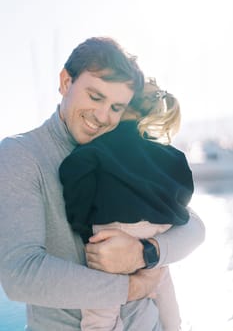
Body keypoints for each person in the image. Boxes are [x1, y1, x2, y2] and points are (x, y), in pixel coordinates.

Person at [0, 37, 205, 331]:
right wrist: (133, 287)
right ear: (65, 82)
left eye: (116, 107)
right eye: (95, 97)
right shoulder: (21, 155)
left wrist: (144, 252)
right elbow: (20, 274)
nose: (102, 117)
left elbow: (194, 227)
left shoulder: (126, 151)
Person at [59, 79, 193, 331]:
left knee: (100, 313)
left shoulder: (98, 147)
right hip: (158, 231)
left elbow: (73, 172)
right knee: (165, 290)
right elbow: (184, 189)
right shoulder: (169, 154)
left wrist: (83, 228)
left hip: (113, 232)